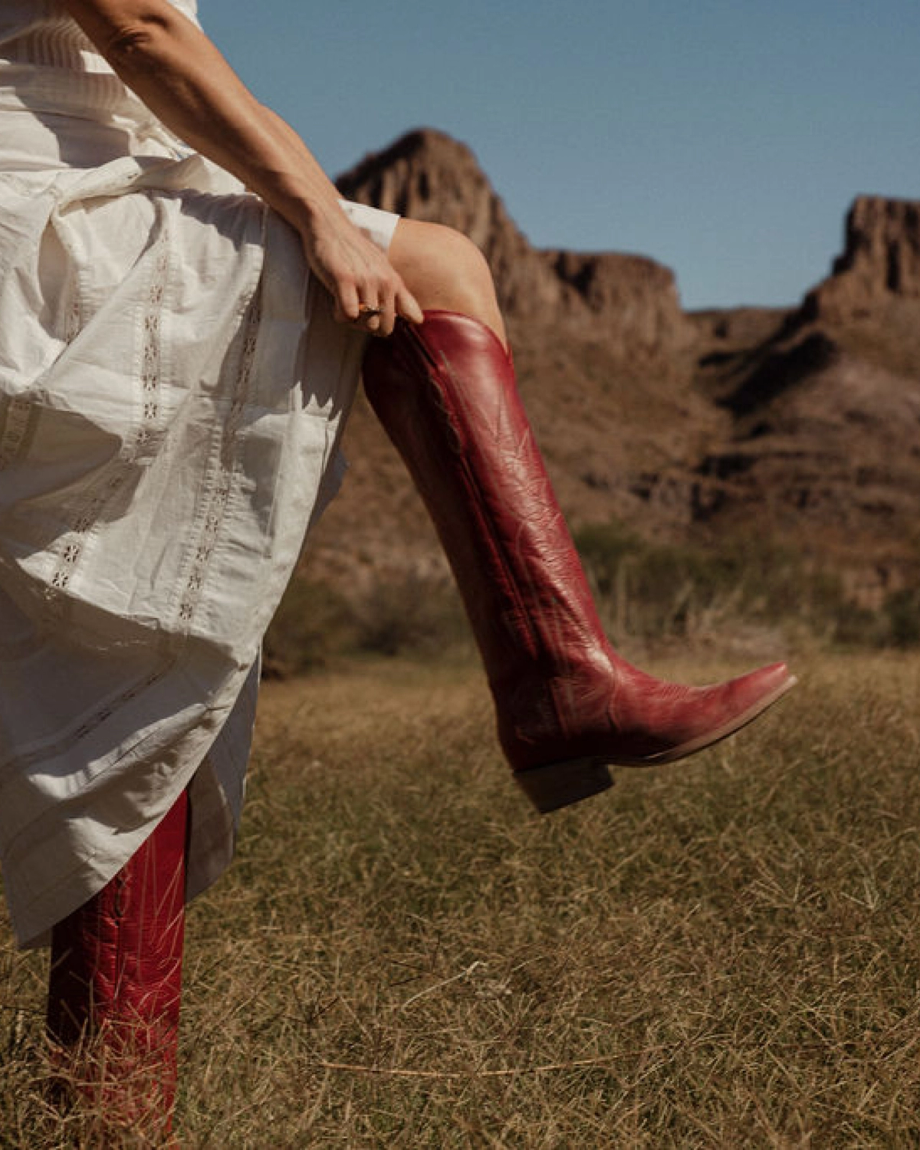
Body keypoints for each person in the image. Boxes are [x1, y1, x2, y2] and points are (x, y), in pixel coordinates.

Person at [0, 0, 795, 1137]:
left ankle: (102, 1114)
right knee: (435, 261)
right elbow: (142, 32)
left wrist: (312, 199)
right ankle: (554, 677)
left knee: (154, 657)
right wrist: (318, 216)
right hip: (39, 221)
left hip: (104, 188)